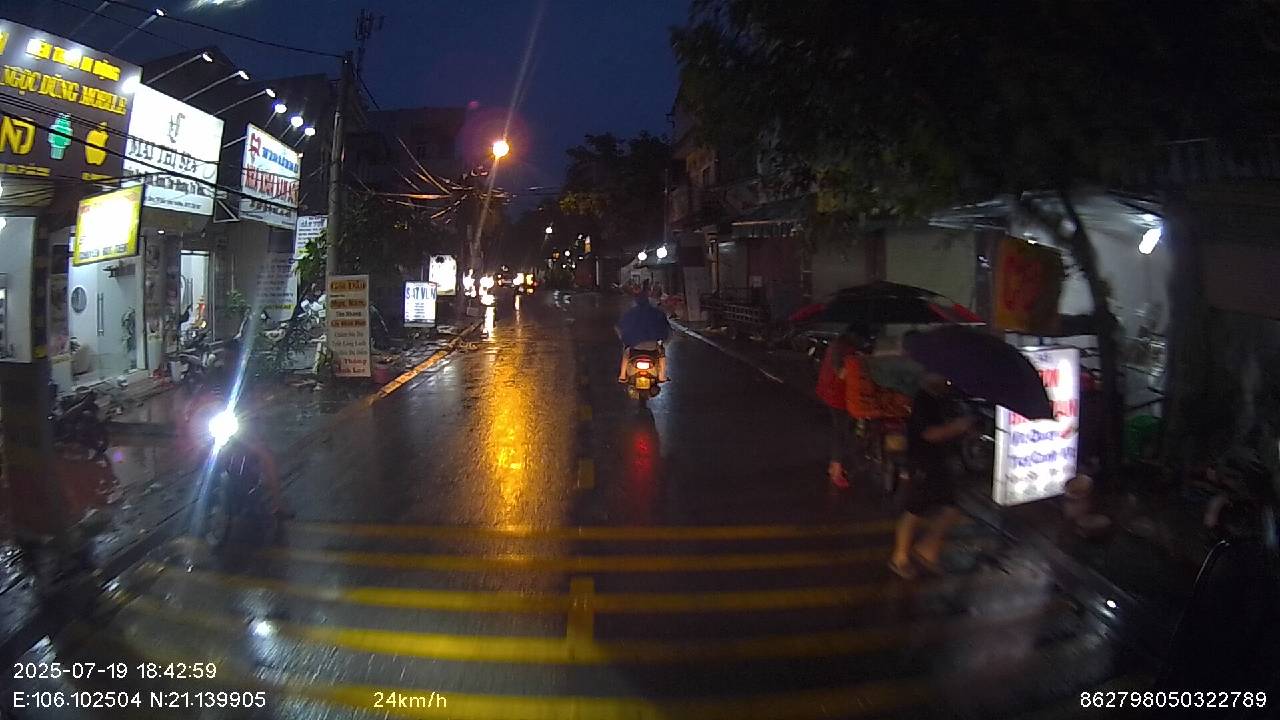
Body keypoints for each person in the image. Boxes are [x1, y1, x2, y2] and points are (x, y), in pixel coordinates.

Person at [889, 372, 973, 579]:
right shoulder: (923, 400)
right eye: (942, 377)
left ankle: (928, 550)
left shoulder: (942, 399)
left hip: (939, 463)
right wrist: (957, 427)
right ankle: (900, 558)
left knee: (950, 508)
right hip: (923, 463)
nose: (946, 381)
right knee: (915, 509)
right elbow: (930, 434)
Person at [816, 329, 861, 488]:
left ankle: (834, 467)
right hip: (837, 396)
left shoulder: (837, 346)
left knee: (841, 430)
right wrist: (857, 362)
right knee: (840, 432)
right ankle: (836, 471)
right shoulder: (843, 349)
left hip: (832, 393)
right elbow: (841, 373)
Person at [616, 280, 671, 383]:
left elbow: (621, 327)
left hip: (635, 346)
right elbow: (665, 329)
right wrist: (663, 340)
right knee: (661, 354)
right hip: (652, 346)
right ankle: (662, 376)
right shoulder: (657, 313)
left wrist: (625, 338)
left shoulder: (631, 313)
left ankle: (622, 375)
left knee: (626, 353)